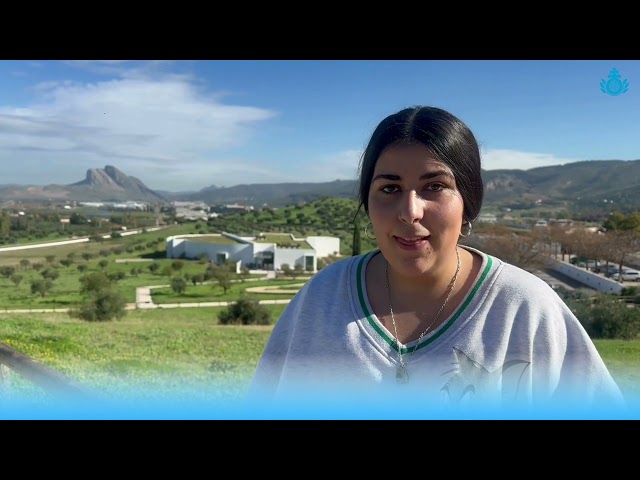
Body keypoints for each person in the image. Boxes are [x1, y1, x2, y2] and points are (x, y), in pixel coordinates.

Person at [246, 105, 626, 419]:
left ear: (469, 201)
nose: (410, 211)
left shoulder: (525, 309)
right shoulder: (321, 300)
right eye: (389, 188)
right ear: (368, 202)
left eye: (435, 187)